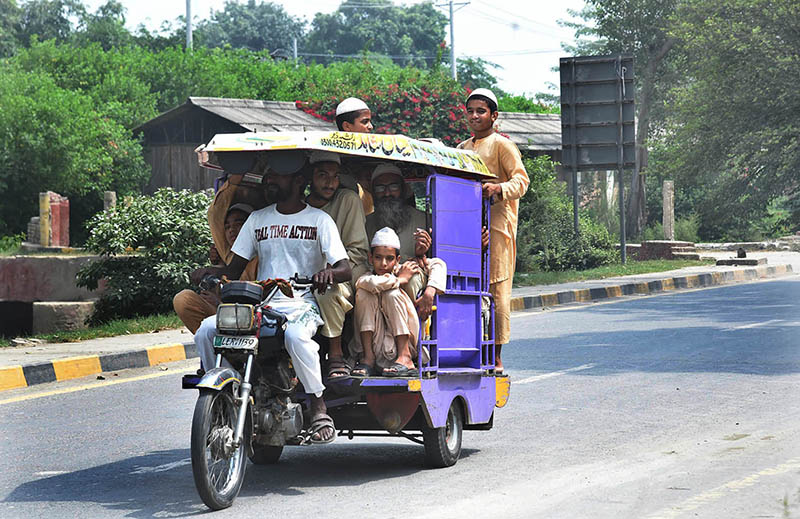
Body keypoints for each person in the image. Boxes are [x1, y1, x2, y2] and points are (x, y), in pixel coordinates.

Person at [191, 150, 352, 444]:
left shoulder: (320, 220)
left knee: (296, 337)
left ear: (298, 181)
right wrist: (207, 271)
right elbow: (234, 268)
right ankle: (226, 397)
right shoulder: (257, 219)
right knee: (206, 331)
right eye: (271, 175)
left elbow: (345, 268)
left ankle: (318, 406)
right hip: (262, 304)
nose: (270, 180)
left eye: (279, 175)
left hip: (301, 303)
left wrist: (328, 274)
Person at [457, 88, 530, 375]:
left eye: (481, 111)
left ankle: (496, 355)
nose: (475, 116)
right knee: (465, 286)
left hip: (498, 229)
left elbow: (521, 182)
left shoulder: (502, 145)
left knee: (496, 289)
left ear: (493, 116)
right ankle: (469, 348)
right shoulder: (462, 149)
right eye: (471, 111)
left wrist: (498, 189)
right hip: (464, 229)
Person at [304, 150, 370, 378]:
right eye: (323, 175)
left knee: (327, 291)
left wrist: (330, 272)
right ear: (310, 178)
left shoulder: (347, 200)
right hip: (304, 278)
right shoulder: (300, 208)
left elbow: (358, 252)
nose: (330, 182)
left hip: (346, 274)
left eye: (335, 176)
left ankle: (336, 356)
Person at [365, 163, 444, 321]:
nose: (387, 193)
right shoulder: (365, 223)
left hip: (412, 276)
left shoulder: (424, 219)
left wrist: (423, 252)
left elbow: (437, 260)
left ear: (403, 189)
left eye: (393, 186)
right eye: (380, 188)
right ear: (373, 193)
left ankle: (409, 336)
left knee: (412, 279)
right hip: (378, 276)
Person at [352, 227, 435, 377]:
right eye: (378, 257)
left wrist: (430, 291)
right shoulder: (367, 277)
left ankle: (406, 358)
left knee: (391, 294)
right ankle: (368, 358)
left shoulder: (406, 268)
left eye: (389, 258)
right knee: (364, 294)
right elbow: (368, 283)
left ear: (397, 260)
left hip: (401, 345)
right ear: (370, 258)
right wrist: (399, 280)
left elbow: (439, 264)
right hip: (376, 346)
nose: (383, 264)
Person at [173, 203, 258, 333]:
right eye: (227, 227)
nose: (232, 230)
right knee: (183, 299)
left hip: (251, 320)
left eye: (238, 224)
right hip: (225, 317)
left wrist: (220, 304)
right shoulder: (226, 257)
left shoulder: (260, 257)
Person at [335, 97, 375, 215]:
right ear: (347, 126)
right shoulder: (333, 156)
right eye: (364, 122)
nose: (371, 126)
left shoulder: (375, 153)